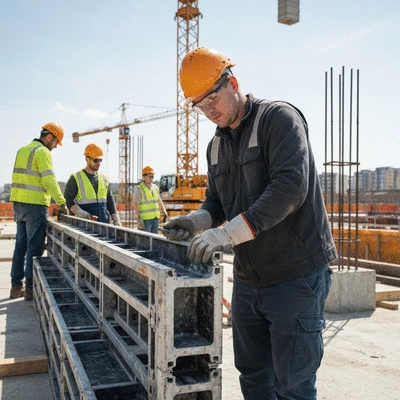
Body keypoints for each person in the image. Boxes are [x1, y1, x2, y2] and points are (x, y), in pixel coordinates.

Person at [162, 47, 338, 399]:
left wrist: (225, 234)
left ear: (233, 83)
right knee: (254, 377)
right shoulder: (215, 146)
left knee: (294, 385)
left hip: (295, 277)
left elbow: (290, 189)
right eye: (199, 104)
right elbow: (217, 203)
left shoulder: (278, 120)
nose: (209, 110)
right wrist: (196, 222)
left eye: (212, 98)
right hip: (248, 280)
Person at [10, 122, 68, 301]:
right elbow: (49, 180)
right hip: (35, 206)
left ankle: (15, 287)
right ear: (49, 136)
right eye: (56, 142)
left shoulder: (23, 149)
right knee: (34, 248)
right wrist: (61, 202)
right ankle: (30, 289)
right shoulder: (42, 152)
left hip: (19, 204)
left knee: (20, 246)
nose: (56, 147)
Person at [64, 143, 121, 226]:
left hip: (104, 224)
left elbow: (109, 199)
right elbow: (68, 199)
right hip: (84, 225)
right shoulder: (76, 178)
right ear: (87, 159)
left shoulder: (104, 178)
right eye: (95, 160)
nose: (98, 163)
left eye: (100, 160)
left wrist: (116, 219)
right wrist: (80, 213)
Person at [132, 166, 168, 233]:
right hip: (145, 220)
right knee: (146, 240)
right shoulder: (139, 188)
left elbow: (159, 200)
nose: (151, 178)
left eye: (152, 177)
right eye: (150, 176)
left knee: (155, 239)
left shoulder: (155, 187)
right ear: (144, 177)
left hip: (155, 219)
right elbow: (135, 204)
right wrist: (139, 218)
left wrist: (164, 211)